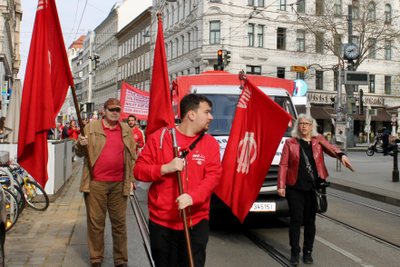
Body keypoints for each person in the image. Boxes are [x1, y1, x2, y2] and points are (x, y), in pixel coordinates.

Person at [134, 94, 221, 267]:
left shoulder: (210, 143)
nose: (211, 117)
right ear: (191, 114)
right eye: (207, 112)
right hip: (162, 222)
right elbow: (138, 170)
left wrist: (192, 197)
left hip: (196, 221)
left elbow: (213, 177)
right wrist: (164, 168)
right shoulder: (160, 138)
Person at [277, 113, 352, 266]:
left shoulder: (318, 141)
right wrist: (280, 185)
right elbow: (283, 165)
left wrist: (341, 155)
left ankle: (308, 252)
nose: (304, 126)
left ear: (312, 126)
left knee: (310, 221)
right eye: (301, 123)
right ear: (298, 126)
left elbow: (332, 148)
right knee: (296, 221)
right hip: (295, 188)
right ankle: (294, 253)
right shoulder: (290, 143)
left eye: (307, 123)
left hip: (313, 188)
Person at [75, 98, 136, 267]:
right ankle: (96, 259)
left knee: (120, 224)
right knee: (96, 224)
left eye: (118, 109)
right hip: (96, 183)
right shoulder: (91, 128)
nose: (115, 112)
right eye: (112, 110)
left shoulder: (126, 130)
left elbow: (133, 156)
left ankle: (121, 260)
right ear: (104, 110)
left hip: (119, 184)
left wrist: (131, 179)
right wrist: (81, 145)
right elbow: (79, 152)